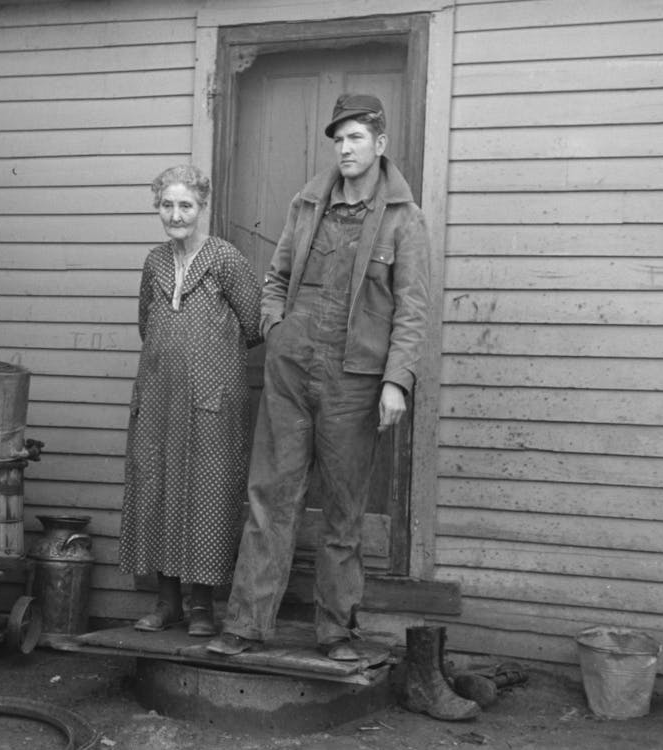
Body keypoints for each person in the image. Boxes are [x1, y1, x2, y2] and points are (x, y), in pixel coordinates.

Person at [207, 93, 431, 661]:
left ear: (380, 144)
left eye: (356, 137)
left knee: (342, 509)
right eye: (339, 138)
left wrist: (396, 381)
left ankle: (335, 630)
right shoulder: (308, 202)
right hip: (291, 368)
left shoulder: (405, 219)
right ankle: (246, 624)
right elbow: (276, 277)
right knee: (269, 497)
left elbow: (413, 308)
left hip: (355, 378)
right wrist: (276, 328)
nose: (345, 148)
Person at [118, 164, 262, 638]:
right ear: (157, 208)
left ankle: (202, 608)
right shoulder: (154, 263)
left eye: (185, 205)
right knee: (156, 488)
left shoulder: (226, 259)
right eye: (167, 205)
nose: (176, 215)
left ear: (202, 207)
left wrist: (208, 361)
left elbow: (255, 325)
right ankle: (166, 603)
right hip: (158, 398)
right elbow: (147, 327)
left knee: (206, 494)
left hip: (212, 402)